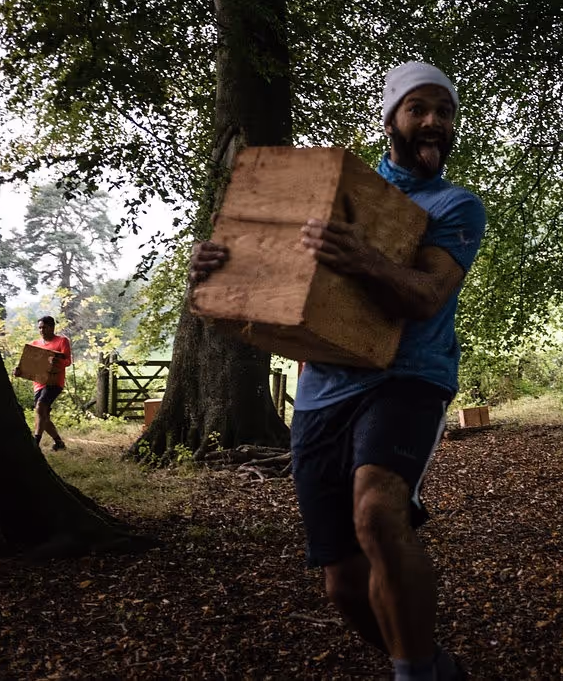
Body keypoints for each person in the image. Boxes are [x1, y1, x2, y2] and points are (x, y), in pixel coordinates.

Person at [190, 61, 483, 680]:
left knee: (378, 512)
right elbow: (276, 273)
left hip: (408, 378)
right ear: (391, 120)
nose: (434, 122)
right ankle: (433, 664)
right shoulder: (332, 191)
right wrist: (222, 266)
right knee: (343, 585)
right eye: (418, 109)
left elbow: (426, 294)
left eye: (445, 111)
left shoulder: (455, 205)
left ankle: (415, 677)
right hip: (322, 389)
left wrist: (367, 259)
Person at [14, 316, 72, 451]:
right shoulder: (34, 344)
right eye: (39, 327)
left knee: (40, 407)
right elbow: (27, 365)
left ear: (52, 327)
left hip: (54, 382)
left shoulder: (62, 341)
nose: (41, 330)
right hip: (38, 383)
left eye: (44, 327)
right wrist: (18, 371)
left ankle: (35, 443)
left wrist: (57, 361)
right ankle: (59, 443)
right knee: (43, 415)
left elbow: (67, 361)